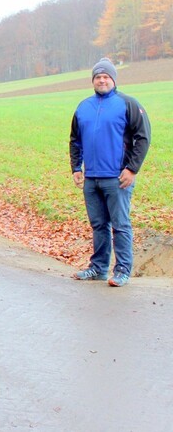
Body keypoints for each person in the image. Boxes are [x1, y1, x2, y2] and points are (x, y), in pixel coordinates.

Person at [70, 57, 151, 287]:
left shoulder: (128, 104)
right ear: (93, 81)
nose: (102, 80)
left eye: (106, 77)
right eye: (98, 77)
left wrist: (132, 169)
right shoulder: (83, 107)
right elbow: (75, 140)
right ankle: (98, 268)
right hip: (91, 178)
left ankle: (123, 269)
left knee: (120, 225)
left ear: (113, 79)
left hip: (117, 178)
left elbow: (143, 138)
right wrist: (76, 167)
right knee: (98, 225)